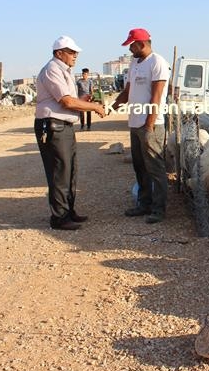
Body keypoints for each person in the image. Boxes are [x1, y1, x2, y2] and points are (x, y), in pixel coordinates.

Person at [35, 36, 106, 230]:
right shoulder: (52, 69)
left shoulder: (64, 71)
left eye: (76, 52)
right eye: (71, 52)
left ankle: (68, 211)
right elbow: (66, 101)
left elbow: (70, 100)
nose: (76, 56)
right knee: (60, 171)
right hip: (53, 125)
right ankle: (59, 217)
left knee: (70, 170)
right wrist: (93, 106)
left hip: (63, 125)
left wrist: (83, 100)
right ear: (59, 53)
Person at [111, 28, 170, 224]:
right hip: (135, 123)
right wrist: (110, 107)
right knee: (140, 166)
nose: (130, 49)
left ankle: (159, 209)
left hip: (150, 125)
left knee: (155, 167)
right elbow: (127, 92)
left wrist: (149, 124)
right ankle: (144, 204)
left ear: (142, 44)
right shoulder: (134, 63)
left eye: (132, 45)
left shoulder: (158, 63)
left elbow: (156, 95)